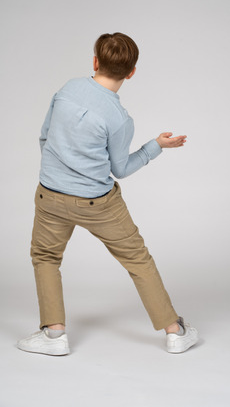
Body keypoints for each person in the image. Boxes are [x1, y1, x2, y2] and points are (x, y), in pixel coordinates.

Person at [17, 32, 198, 355]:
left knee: (45, 257)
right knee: (138, 261)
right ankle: (175, 331)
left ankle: (53, 335)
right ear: (131, 72)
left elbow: (44, 137)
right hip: (97, 203)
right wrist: (156, 146)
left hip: (49, 195)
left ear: (95, 61)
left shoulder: (68, 89)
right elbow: (121, 169)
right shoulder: (120, 120)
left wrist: (59, 171)